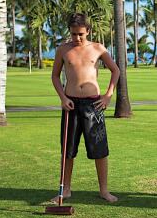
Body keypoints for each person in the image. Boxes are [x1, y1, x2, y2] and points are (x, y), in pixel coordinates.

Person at [50, 13, 120, 203]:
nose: (77, 38)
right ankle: (65, 190)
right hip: (70, 104)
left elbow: (116, 70)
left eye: (81, 34)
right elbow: (55, 76)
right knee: (68, 150)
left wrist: (108, 96)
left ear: (88, 31)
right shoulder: (63, 50)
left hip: (93, 104)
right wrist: (63, 98)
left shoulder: (98, 48)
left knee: (100, 149)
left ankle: (104, 190)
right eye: (73, 34)